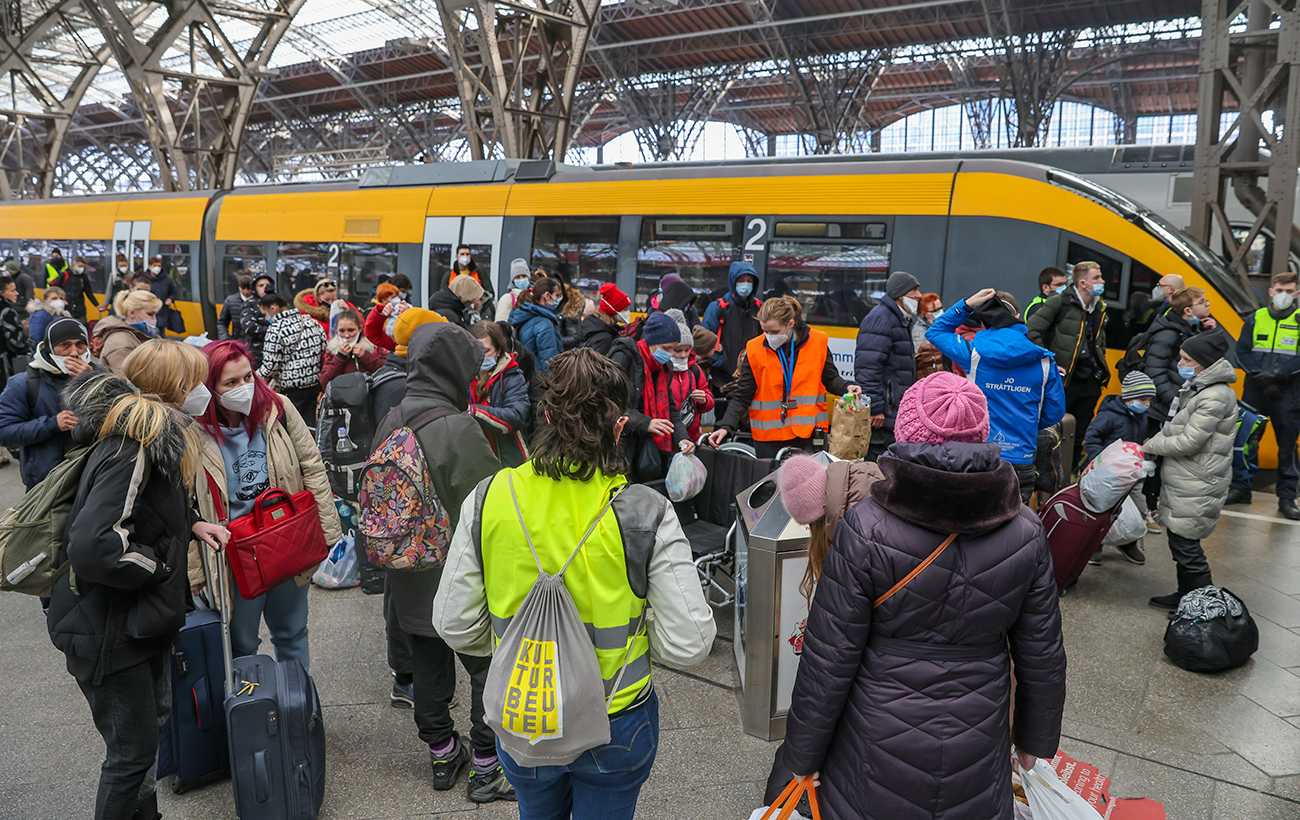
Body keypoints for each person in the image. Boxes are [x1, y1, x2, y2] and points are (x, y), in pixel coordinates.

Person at [432, 347, 716, 818]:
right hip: (616, 717)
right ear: (621, 427)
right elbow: (689, 644)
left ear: (544, 415)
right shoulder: (645, 512)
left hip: (525, 714)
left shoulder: (490, 498)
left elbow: (453, 622)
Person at [780, 371, 1067, 820]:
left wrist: (802, 755)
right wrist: (1035, 740)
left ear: (906, 433)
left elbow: (829, 655)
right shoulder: (1027, 531)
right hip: (979, 726)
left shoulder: (867, 526)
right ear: (983, 432)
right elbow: (1042, 652)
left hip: (877, 730)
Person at [47, 342, 230, 820]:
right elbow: (96, 546)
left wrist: (190, 523)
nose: (202, 392)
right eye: (195, 383)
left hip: (135, 623)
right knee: (130, 757)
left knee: (144, 743)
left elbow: (149, 506)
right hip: (110, 629)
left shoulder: (151, 438)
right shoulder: (134, 447)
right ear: (173, 390)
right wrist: (161, 567)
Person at [369, 322, 507, 801]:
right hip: (458, 573)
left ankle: (444, 754)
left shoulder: (392, 417)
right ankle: (488, 767)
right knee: (487, 668)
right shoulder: (456, 426)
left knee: (428, 667)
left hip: (408, 575)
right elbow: (492, 504)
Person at [189, 340, 342, 667]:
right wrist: (195, 572)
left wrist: (328, 533)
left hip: (286, 538)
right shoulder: (192, 430)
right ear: (210, 388)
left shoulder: (278, 407)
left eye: (248, 377)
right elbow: (185, 502)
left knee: (292, 632)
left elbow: (312, 466)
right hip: (236, 554)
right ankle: (254, 712)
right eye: (231, 382)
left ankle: (298, 706)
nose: (244, 387)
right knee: (242, 643)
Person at [926, 288, 1065, 502]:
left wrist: (967, 305)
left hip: (978, 455)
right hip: (1022, 458)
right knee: (1014, 527)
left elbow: (935, 332)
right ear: (1018, 317)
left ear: (984, 322)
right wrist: (1025, 426)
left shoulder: (973, 355)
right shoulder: (1045, 361)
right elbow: (1054, 412)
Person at [1144, 331, 1237, 608]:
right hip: (1189, 477)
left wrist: (1153, 444)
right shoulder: (1200, 388)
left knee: (1187, 546)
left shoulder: (1215, 396)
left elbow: (1190, 440)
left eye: (1187, 358)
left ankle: (1203, 606)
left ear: (1204, 363)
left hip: (1199, 480)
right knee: (1179, 540)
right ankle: (1186, 596)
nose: (1180, 363)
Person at [710, 296, 861, 459]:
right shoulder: (754, 348)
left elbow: (831, 379)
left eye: (774, 332)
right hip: (768, 439)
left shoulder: (818, 342)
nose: (769, 337)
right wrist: (725, 426)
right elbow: (742, 395)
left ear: (791, 323)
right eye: (764, 331)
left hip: (809, 436)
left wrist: (847, 387)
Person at [1026, 260, 1109, 475]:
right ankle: (1045, 476)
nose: (1102, 282)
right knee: (1053, 428)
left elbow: (1099, 341)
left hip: (1089, 379)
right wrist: (1050, 361)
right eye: (1097, 278)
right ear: (1083, 283)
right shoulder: (1059, 302)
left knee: (1080, 432)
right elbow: (1031, 331)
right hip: (1064, 380)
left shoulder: (1099, 306)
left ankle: (1068, 476)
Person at [1235, 271, 1300, 519]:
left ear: (1297, 293)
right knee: (1246, 440)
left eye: (1289, 291)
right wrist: (1261, 376)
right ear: (1271, 292)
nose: (1284, 295)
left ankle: (1287, 498)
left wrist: (1277, 375)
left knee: (1287, 447)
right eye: (1280, 290)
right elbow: (1241, 352)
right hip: (1256, 389)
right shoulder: (1255, 318)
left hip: (1288, 392)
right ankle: (1241, 488)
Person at [0, 317, 93, 489]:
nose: (74, 353)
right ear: (50, 348)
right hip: (45, 485)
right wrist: (52, 424)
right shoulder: (24, 383)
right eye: (65, 345)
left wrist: (93, 382)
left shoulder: (100, 375)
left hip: (92, 479)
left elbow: (122, 417)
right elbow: (4, 432)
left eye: (80, 344)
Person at [610, 312, 697, 478]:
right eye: (666, 348)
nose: (670, 354)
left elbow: (670, 408)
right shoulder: (625, 357)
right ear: (651, 341)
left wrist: (682, 438)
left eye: (673, 348)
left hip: (647, 451)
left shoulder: (663, 368)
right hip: (622, 449)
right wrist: (646, 423)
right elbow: (611, 404)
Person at [1084, 371, 1158, 566]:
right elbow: (1092, 438)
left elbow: (1138, 443)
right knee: (1104, 509)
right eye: (1143, 400)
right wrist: (1099, 462)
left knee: (1139, 508)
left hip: (1132, 474)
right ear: (1129, 397)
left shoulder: (1142, 416)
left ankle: (1128, 541)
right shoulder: (1108, 416)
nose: (1147, 404)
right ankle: (1095, 544)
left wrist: (1147, 455)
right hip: (1109, 474)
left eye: (1149, 400)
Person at [855, 270, 921, 459]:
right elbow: (868, 368)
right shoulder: (881, 319)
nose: (919, 296)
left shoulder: (898, 318)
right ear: (900, 294)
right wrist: (875, 407)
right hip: (884, 413)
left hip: (893, 410)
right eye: (914, 291)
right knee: (879, 462)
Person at [1142, 286, 1217, 424]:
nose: (1208, 304)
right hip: (1163, 410)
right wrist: (1174, 401)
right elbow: (1155, 372)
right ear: (1188, 311)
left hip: (1176, 405)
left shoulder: (1190, 330)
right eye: (1202, 302)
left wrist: (1209, 333)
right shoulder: (1168, 334)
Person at [256, 293, 328, 426]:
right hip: (313, 385)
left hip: (290, 390)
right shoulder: (311, 321)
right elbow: (325, 347)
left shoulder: (275, 329)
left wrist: (254, 378)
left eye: (265, 313)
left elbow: (270, 366)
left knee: (292, 427)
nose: (266, 318)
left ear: (273, 309)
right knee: (309, 426)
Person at [469, 320, 531, 468]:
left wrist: (475, 412)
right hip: (472, 460)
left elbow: (516, 416)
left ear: (498, 351)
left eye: (486, 351)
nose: (480, 356)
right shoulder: (462, 375)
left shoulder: (512, 376)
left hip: (505, 460)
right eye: (476, 350)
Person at [701, 261, 762, 383]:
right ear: (733, 282)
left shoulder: (760, 308)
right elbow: (703, 341)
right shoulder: (719, 307)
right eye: (741, 280)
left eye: (749, 281)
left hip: (752, 378)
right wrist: (720, 362)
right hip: (722, 379)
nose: (745, 284)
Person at [664, 310, 713, 444]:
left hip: (691, 438)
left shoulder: (695, 370)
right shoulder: (661, 370)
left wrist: (704, 400)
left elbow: (708, 401)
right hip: (666, 438)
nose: (683, 355)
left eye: (687, 350)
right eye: (678, 351)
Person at [94, 291, 160, 375]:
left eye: (155, 314)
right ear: (132, 313)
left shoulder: (147, 334)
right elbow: (127, 380)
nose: (154, 319)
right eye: (150, 314)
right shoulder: (120, 342)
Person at [509, 277, 564, 375]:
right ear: (547, 295)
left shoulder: (525, 314)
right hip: (539, 380)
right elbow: (548, 360)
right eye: (556, 295)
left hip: (525, 375)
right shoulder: (544, 322)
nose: (557, 300)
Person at [320, 308, 384, 389]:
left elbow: (384, 370)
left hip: (368, 396)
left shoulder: (373, 346)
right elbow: (324, 382)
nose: (347, 335)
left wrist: (365, 356)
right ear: (337, 331)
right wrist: (340, 357)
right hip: (342, 398)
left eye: (351, 330)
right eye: (342, 331)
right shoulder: (332, 350)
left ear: (360, 329)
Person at [579, 283, 629, 356]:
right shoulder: (605, 338)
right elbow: (596, 365)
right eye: (624, 309)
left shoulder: (595, 326)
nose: (627, 312)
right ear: (613, 310)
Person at [142, 256, 183, 336]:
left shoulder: (167, 279)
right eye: (154, 266)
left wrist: (170, 299)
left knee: (161, 335)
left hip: (162, 312)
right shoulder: (144, 279)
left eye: (159, 266)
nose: (157, 268)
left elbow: (173, 292)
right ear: (149, 267)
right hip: (148, 312)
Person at [239, 273, 275, 364]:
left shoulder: (278, 302)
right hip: (257, 353)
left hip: (276, 352)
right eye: (261, 285)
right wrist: (274, 331)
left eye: (267, 285)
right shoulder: (249, 304)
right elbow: (250, 328)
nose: (265, 288)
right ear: (255, 288)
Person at [49, 256, 97, 322]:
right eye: (80, 266)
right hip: (66, 307)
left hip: (80, 309)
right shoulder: (65, 275)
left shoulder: (83, 277)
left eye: (83, 267)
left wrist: (96, 304)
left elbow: (88, 291)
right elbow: (55, 288)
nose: (82, 269)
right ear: (74, 264)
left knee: (83, 324)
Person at [218, 274, 254, 341]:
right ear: (239, 287)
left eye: (248, 288)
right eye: (243, 288)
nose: (246, 292)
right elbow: (222, 322)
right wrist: (225, 338)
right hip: (237, 341)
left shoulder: (259, 301)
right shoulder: (230, 301)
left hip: (255, 343)